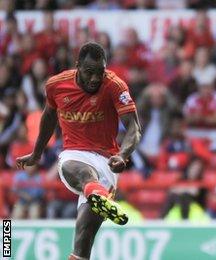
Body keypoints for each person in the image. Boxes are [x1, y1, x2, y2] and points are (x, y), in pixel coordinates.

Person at [16, 42, 141, 260]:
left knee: (83, 242)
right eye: (89, 72)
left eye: (100, 72)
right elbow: (48, 116)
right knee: (80, 170)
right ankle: (97, 194)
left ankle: (97, 195)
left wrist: (123, 154)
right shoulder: (56, 85)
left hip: (106, 162)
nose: (95, 78)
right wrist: (37, 153)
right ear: (78, 66)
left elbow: (134, 127)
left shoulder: (114, 85)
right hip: (74, 154)